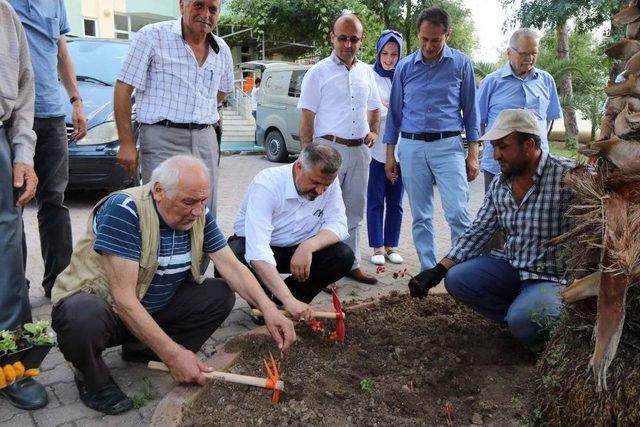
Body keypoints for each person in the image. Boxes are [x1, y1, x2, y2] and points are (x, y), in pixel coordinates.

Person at [50, 155, 296, 415]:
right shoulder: (125, 210)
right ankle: (92, 377)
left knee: (220, 293)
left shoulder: (200, 213)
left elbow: (231, 266)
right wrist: (174, 355)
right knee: (82, 315)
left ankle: (141, 349)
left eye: (202, 201)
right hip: (112, 310)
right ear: (158, 191)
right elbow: (122, 300)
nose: (197, 211)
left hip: (148, 307)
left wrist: (269, 309)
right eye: (188, 202)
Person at [409, 109, 575, 346]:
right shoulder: (501, 183)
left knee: (525, 319)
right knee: (457, 279)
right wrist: (438, 270)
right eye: (493, 147)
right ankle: (520, 318)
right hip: (512, 267)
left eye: (503, 146)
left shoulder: (569, 177)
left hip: (552, 279)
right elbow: (478, 231)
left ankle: (534, 321)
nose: (495, 155)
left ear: (528, 145)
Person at [114, 0, 233, 216]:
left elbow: (222, 92)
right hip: (162, 138)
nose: (205, 14)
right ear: (182, 5)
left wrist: (197, 111)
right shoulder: (152, 36)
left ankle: (201, 252)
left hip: (206, 138)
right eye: (198, 5)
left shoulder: (222, 49)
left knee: (203, 210)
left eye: (212, 9)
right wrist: (126, 143)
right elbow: (123, 88)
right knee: (161, 211)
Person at [383, 7, 480, 271]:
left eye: (435, 40)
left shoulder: (461, 64)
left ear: (448, 34)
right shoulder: (404, 67)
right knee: (421, 216)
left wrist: (473, 153)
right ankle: (428, 270)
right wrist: (390, 155)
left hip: (448, 146)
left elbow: (471, 112)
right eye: (424, 39)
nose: (428, 45)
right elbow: (394, 114)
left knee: (458, 212)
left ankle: (460, 271)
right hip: (411, 148)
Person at [9, 0, 88, 298]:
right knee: (11, 204)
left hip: (51, 114)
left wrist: (76, 102)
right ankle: (15, 286)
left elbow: (61, 51)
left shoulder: (56, 2)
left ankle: (60, 284)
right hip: (13, 116)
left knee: (54, 200)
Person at [298, 13, 382, 285]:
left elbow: (374, 107)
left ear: (361, 40)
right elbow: (307, 117)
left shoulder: (367, 72)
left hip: (359, 151)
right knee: (322, 209)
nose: (348, 44)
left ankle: (351, 263)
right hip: (327, 150)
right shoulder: (318, 72)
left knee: (354, 210)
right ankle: (324, 270)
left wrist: (374, 131)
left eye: (353, 38)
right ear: (332, 37)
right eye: (342, 38)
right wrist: (306, 157)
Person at [229, 144, 354, 313]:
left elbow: (338, 224)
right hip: (258, 248)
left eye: (326, 185)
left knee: (343, 256)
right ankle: (264, 304)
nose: (320, 191)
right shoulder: (267, 183)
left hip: (298, 252)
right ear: (299, 167)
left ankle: (292, 301)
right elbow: (258, 250)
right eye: (315, 182)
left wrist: (308, 246)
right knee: (235, 255)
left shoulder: (328, 185)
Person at [0, 1, 47, 410]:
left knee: (8, 261)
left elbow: (24, 91)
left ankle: (11, 363)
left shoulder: (5, 15)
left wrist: (21, 154)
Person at [478, 28, 562, 191]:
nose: (529, 59)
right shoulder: (491, 82)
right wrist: (495, 146)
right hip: (498, 165)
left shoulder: (546, 80)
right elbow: (479, 121)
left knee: (536, 214)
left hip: (537, 165)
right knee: (495, 214)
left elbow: (548, 118)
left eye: (534, 53)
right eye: (524, 53)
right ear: (509, 52)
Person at [367, 29, 405, 267]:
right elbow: (370, 109)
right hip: (376, 151)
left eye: (394, 54)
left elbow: (409, 110)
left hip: (401, 151)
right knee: (375, 199)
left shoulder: (405, 75)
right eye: (385, 53)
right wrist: (392, 108)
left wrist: (384, 106)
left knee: (397, 202)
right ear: (379, 52)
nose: (390, 59)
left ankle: (391, 245)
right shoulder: (369, 76)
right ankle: (377, 246)